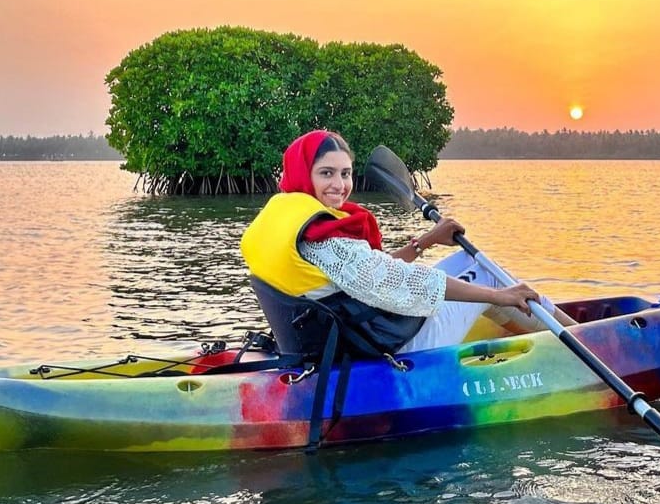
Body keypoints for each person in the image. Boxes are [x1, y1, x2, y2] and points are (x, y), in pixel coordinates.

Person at [241, 129, 562, 356]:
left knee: (469, 264)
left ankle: (553, 326)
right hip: (387, 348)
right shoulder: (324, 236)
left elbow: (363, 272)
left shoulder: (286, 215)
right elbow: (395, 281)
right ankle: (579, 336)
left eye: (345, 173)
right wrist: (499, 295)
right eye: (326, 173)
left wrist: (425, 242)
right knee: (488, 275)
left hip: (333, 341)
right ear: (304, 173)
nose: (339, 185)